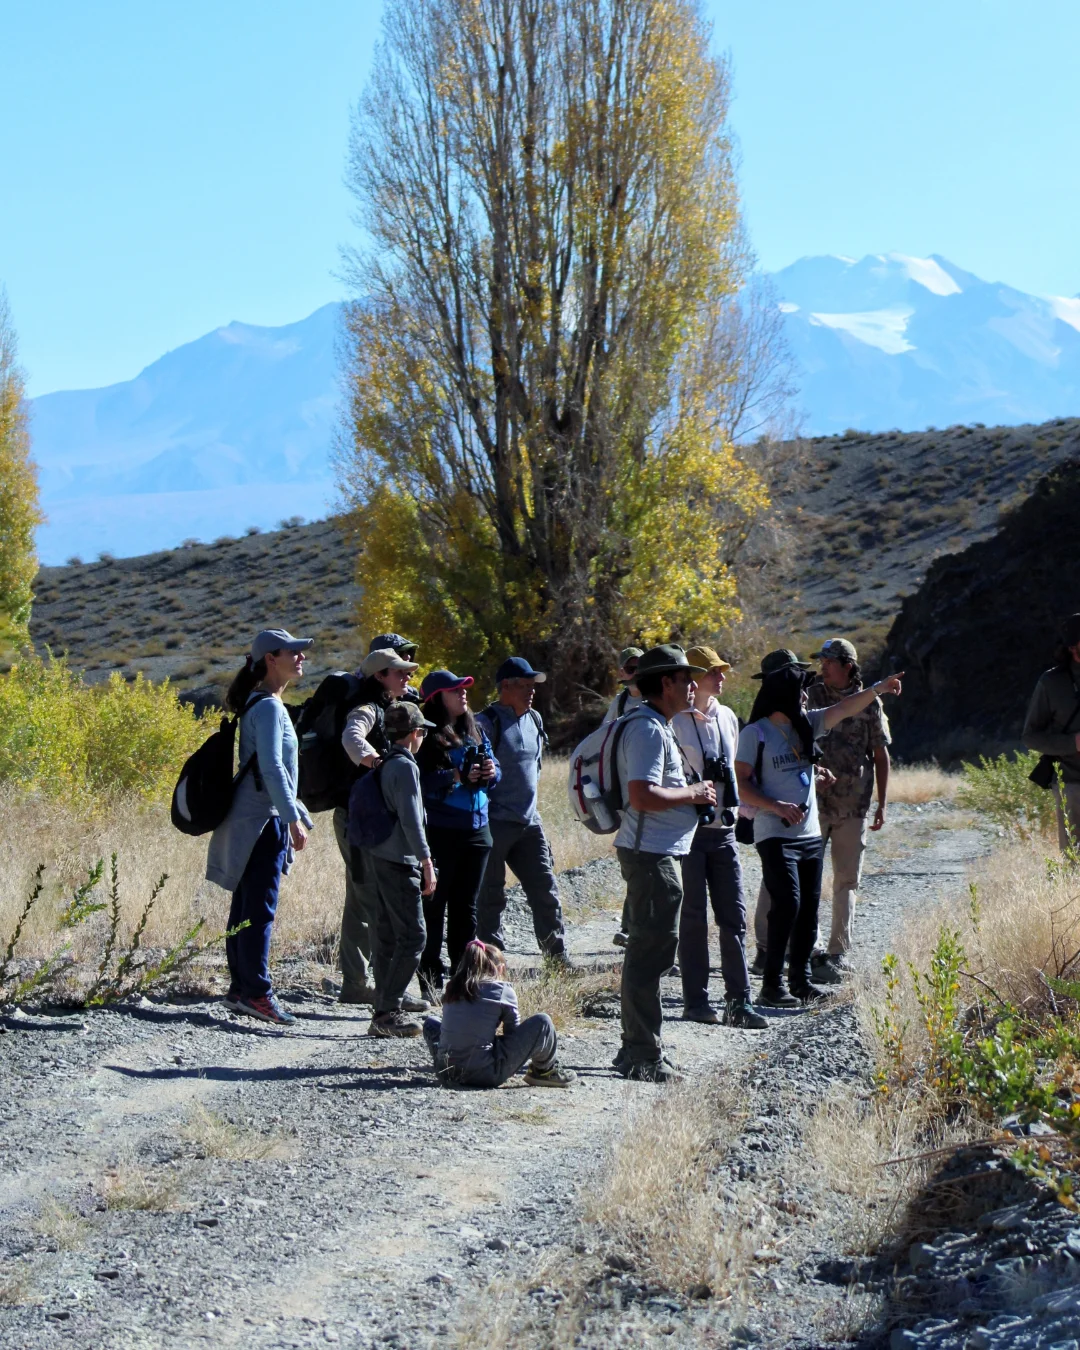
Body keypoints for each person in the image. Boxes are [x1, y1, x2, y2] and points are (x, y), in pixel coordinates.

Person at [735, 650, 903, 1008]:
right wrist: (776, 806)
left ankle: (800, 982)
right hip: (775, 833)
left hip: (809, 836)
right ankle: (771, 984)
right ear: (785, 691)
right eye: (801, 689)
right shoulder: (755, 733)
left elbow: (846, 708)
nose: (807, 695)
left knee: (809, 909)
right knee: (788, 904)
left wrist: (879, 689)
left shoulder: (808, 724)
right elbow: (743, 786)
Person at [611, 644, 716, 1082]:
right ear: (666, 683)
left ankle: (636, 1049)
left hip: (657, 853)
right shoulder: (649, 730)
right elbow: (642, 795)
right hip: (650, 855)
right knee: (649, 955)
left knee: (649, 953)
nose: (694, 686)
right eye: (686, 678)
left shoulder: (658, 725)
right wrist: (693, 795)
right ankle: (641, 1055)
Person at [207, 628, 314, 1026]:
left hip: (254, 819)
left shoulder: (261, 703)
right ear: (271, 658)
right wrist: (291, 818)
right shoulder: (268, 707)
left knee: (247, 908)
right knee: (260, 910)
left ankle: (242, 989)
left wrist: (295, 812)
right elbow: (271, 767)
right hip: (263, 822)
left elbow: (273, 769)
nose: (301, 658)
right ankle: (256, 993)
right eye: (294, 652)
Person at [670, 647, 767, 1030]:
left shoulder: (728, 717)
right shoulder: (674, 718)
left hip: (724, 831)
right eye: (714, 671)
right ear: (695, 677)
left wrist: (743, 810)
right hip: (689, 832)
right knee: (693, 919)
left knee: (734, 916)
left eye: (723, 671)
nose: (722, 678)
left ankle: (739, 1002)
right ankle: (696, 1002)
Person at [336, 647, 427, 1009]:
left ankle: (370, 985)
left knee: (367, 900)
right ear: (378, 677)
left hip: (369, 819)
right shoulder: (367, 710)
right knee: (371, 902)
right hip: (364, 822)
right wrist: (378, 763)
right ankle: (377, 990)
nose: (406, 677)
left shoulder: (389, 710)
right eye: (398, 672)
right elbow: (351, 738)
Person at [475, 657, 570, 963]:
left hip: (529, 823)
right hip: (494, 824)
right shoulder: (485, 723)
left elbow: (536, 767)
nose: (531, 692)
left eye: (532, 686)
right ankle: (491, 966)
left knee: (545, 890)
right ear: (505, 687)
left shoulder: (535, 720)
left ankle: (557, 959)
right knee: (490, 898)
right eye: (524, 685)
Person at [415, 669, 501, 996]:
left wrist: (491, 772)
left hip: (478, 833)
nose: (464, 694)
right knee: (434, 908)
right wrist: (454, 775)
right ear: (437, 699)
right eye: (455, 690)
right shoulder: (426, 734)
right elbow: (419, 781)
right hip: (441, 832)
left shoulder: (475, 728)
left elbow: (494, 770)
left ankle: (465, 982)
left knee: (467, 909)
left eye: (465, 689)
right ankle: (430, 982)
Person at [364, 701, 439, 1038]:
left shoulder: (385, 762)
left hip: (380, 857)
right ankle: (385, 1012)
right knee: (414, 936)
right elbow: (411, 820)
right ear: (414, 733)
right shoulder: (405, 767)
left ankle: (385, 1001)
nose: (423, 736)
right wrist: (426, 862)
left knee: (387, 935)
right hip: (400, 861)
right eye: (422, 730)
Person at [422, 940, 575, 1088]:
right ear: (500, 969)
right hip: (486, 1074)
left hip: (446, 1072)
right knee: (544, 1021)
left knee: (431, 1022)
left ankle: (449, 1064)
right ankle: (545, 1071)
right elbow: (512, 1035)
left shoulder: (453, 987)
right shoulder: (502, 990)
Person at [1023, 613, 1080, 854]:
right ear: (1073, 647)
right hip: (1071, 782)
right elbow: (1031, 736)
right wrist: (1073, 743)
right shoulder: (1051, 683)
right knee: (1074, 858)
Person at [367, 633, 422, 703]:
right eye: (401, 652)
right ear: (379, 675)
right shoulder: (366, 710)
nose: (408, 656)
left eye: (408, 652)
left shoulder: (410, 698)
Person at [602, 647, 645, 724]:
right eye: (630, 669)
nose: (636, 673)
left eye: (639, 668)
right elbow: (605, 731)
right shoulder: (619, 702)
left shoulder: (658, 698)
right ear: (621, 674)